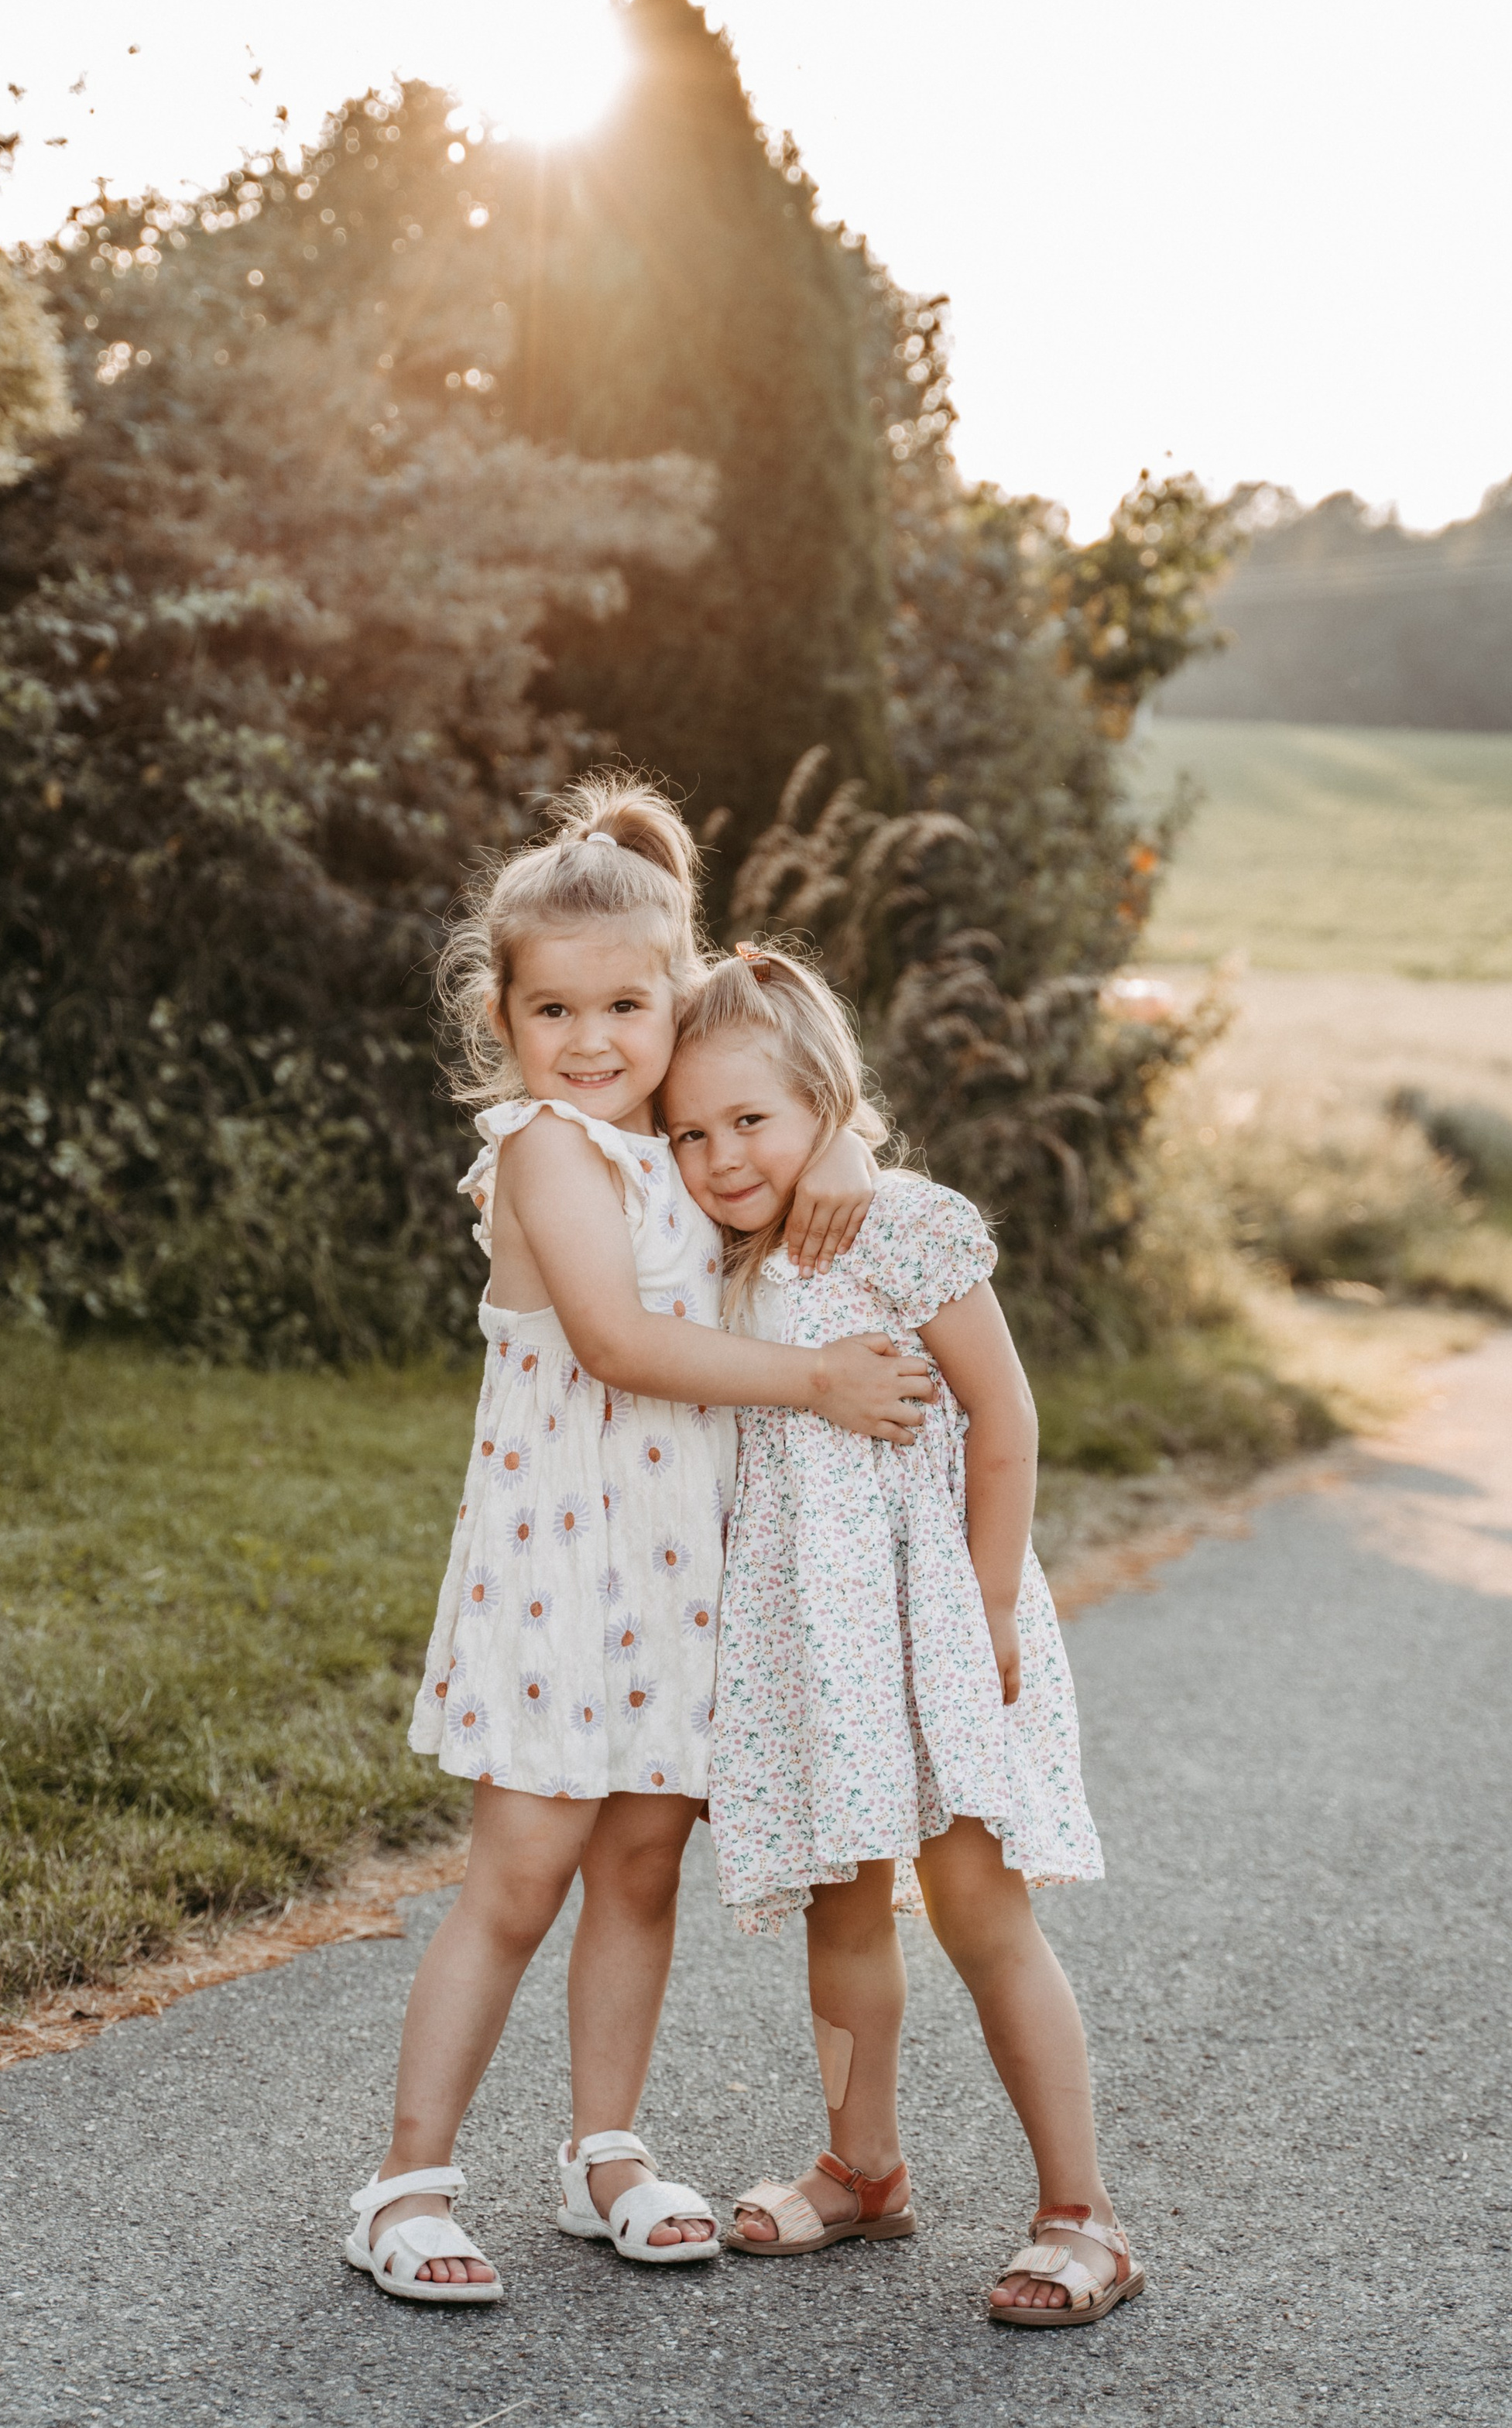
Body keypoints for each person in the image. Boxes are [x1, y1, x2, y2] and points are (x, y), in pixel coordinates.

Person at [344, 784, 934, 2305]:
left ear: (676, 1002)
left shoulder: (680, 1149)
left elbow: (787, 1123)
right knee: (520, 1877)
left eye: (625, 1004)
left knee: (639, 1873)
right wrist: (813, 1381)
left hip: (677, 1583)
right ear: (505, 1017)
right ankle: (406, 2179)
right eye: (554, 1009)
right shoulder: (545, 1150)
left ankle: (601, 2148)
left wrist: (849, 1152)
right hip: (554, 1580)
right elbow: (612, 1343)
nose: (591, 1038)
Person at [660, 943, 1140, 2330]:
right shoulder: (720, 1258)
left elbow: (1008, 1419)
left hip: (937, 1621)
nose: (719, 1155)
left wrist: (990, 1606)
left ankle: (1082, 2213)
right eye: (690, 1132)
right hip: (814, 1640)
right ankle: (862, 2164)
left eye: (750, 1120)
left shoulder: (902, 1222)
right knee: (844, 1902)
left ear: (825, 1102)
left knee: (982, 1908)